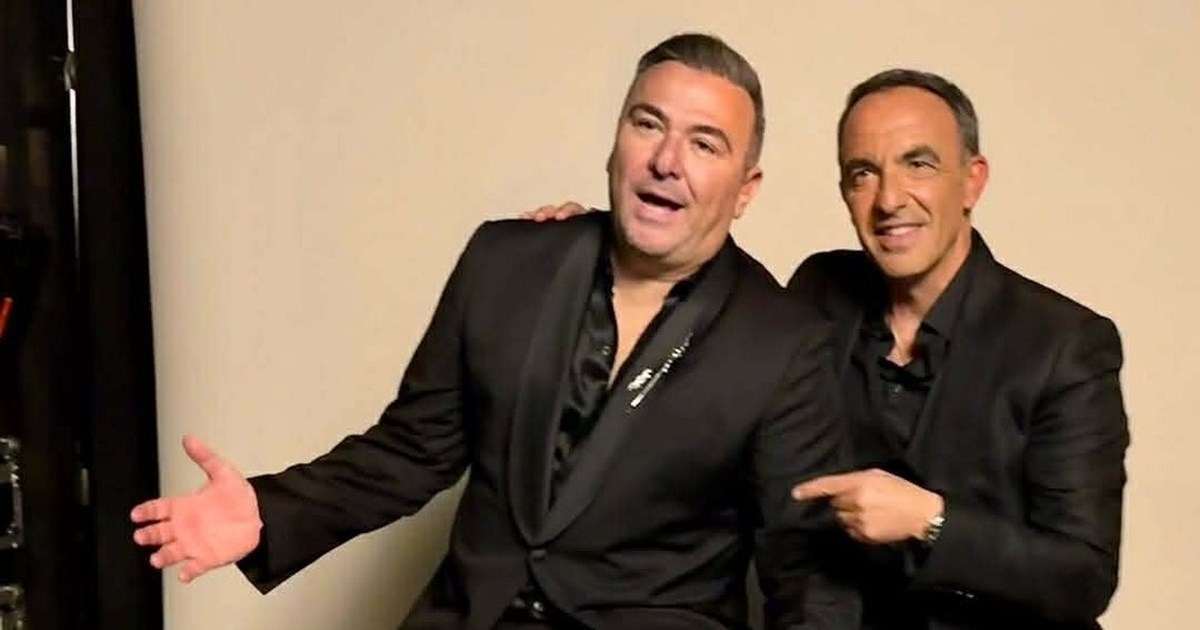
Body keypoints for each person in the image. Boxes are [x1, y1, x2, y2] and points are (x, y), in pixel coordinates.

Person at [131, 33, 857, 630]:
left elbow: (805, 574)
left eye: (705, 144)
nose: (667, 161)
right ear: (616, 143)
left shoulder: (786, 342)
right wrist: (267, 512)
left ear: (745, 190)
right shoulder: (506, 260)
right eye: (647, 124)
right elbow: (413, 450)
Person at [528, 68, 1130, 629]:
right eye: (863, 172)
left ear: (972, 180)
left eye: (918, 164)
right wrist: (601, 248)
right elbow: (709, 319)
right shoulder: (819, 290)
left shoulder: (1065, 344)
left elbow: (1083, 576)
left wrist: (931, 522)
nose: (889, 199)